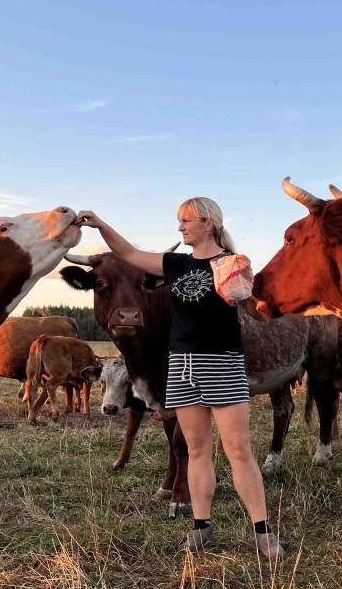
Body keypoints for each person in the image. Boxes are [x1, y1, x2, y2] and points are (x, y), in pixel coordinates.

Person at [75, 197, 284, 561]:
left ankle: (262, 531)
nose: (180, 226)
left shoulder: (232, 263)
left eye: (186, 220)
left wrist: (240, 282)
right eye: (179, 221)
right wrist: (100, 224)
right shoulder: (174, 264)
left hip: (222, 363)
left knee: (238, 450)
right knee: (197, 449)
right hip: (182, 366)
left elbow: (243, 297)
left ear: (209, 223)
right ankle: (202, 525)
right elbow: (129, 252)